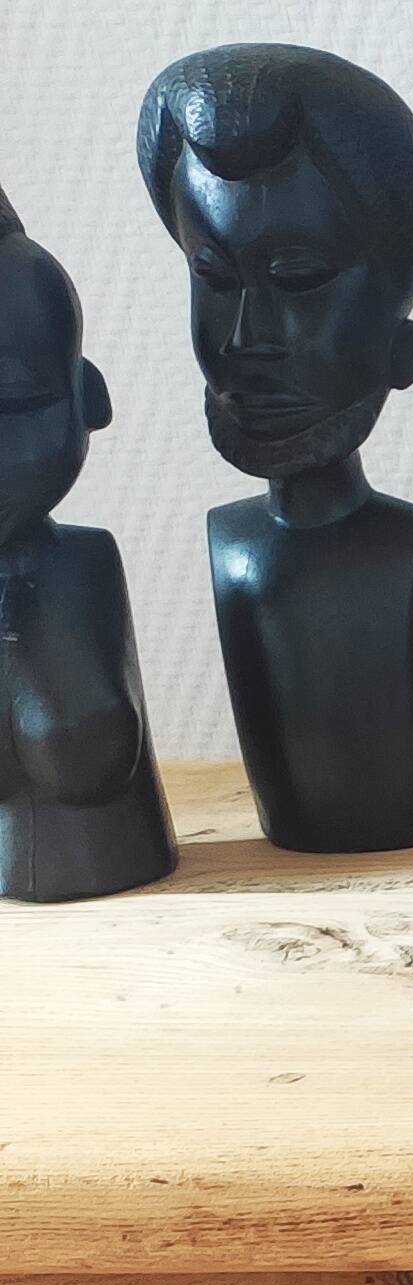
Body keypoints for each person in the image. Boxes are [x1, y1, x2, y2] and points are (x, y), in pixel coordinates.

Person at [138, 44, 413, 853]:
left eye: (298, 277)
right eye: (213, 275)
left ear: (403, 337)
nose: (246, 339)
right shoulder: (233, 544)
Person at [0, 186, 175, 902]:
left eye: (13, 407)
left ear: (90, 397)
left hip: (117, 875)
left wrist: (25, 633)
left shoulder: (78, 562)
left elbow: (88, 753)